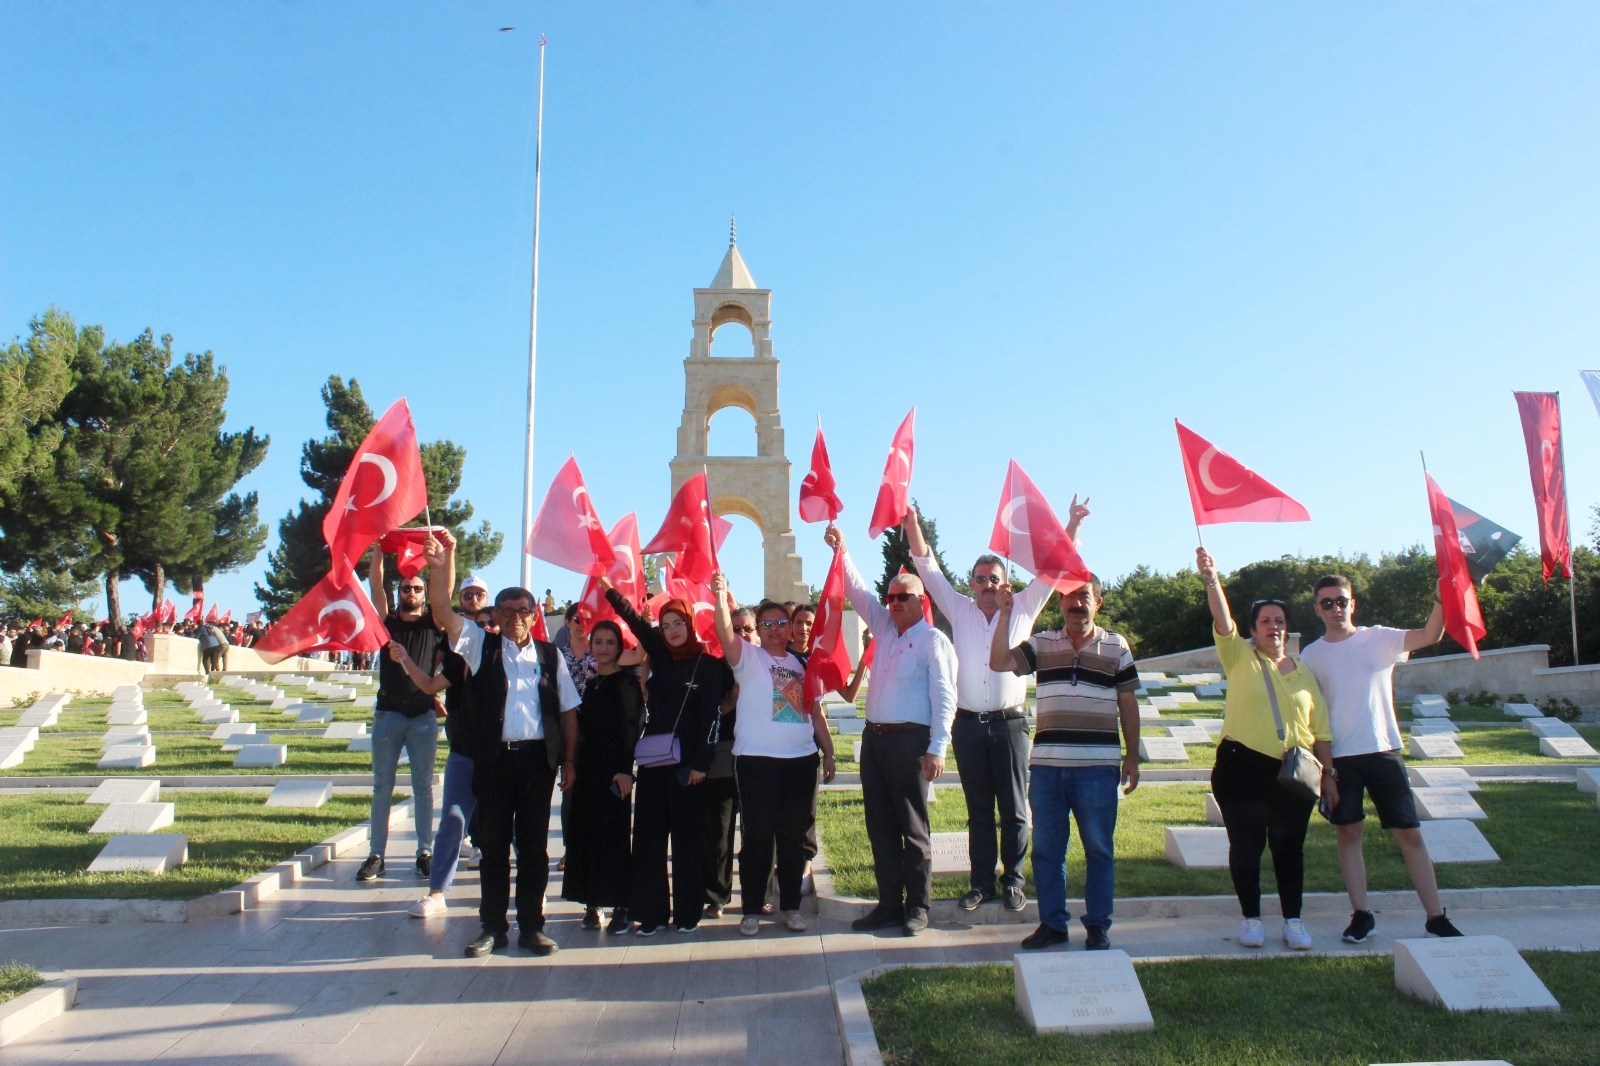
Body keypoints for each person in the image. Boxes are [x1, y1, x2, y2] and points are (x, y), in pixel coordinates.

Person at [902, 500, 1088, 915]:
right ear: (970, 583)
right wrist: (912, 522)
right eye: (981, 578)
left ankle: (1014, 881)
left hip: (1010, 725)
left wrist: (1072, 523)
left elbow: (1056, 566)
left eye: (994, 578)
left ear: (1006, 582)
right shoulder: (958, 608)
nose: (988, 584)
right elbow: (927, 567)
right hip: (968, 726)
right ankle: (981, 882)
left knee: (1015, 809)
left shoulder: (1024, 605)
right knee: (979, 810)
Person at [423, 530, 580, 958]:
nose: (515, 616)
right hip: (492, 761)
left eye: (523, 610)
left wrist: (568, 760)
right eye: (507, 609)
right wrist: (443, 565)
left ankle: (532, 925)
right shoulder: (479, 646)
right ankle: (492, 926)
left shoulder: (551, 657)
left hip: (536, 763)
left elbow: (567, 711)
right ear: (496, 613)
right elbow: (440, 610)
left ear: (535, 615)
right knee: (493, 847)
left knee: (533, 848)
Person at [1299, 575, 1463, 941]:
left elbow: (1430, 635)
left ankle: (1435, 916)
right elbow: (1314, 714)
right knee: (1349, 834)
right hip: (1340, 758)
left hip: (1383, 749)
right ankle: (1361, 915)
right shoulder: (1311, 655)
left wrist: (1440, 597)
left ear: (1352, 604)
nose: (1335, 608)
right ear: (1316, 610)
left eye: (1341, 601)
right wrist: (1325, 771)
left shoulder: (1380, 638)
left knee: (1409, 835)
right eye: (1327, 603)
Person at [989, 574, 1139, 950]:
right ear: (1060, 603)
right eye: (1069, 597)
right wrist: (1005, 614)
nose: (1076, 604)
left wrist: (1133, 756)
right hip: (1048, 769)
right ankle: (1053, 924)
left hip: (1097, 769)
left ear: (1098, 602)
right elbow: (998, 662)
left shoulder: (1116, 646)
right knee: (1047, 850)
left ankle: (1098, 925)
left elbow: (1128, 703)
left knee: (1099, 849)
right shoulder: (1041, 643)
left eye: (1084, 596)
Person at [825, 523, 958, 937]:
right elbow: (856, 590)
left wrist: (937, 747)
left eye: (905, 597)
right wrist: (842, 549)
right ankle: (887, 904)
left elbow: (945, 697)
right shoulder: (882, 627)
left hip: (909, 741)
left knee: (913, 827)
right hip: (875, 739)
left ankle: (917, 906)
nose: (895, 603)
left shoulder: (934, 641)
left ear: (922, 600)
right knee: (879, 826)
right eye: (892, 597)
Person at [1197, 547, 1333, 951]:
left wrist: (1331, 776)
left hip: (1294, 771)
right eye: (1265, 621)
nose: (1273, 627)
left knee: (1290, 847)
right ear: (1253, 629)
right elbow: (1222, 619)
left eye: (1279, 621)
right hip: (1242, 768)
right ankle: (1251, 918)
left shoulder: (1304, 670)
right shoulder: (1239, 657)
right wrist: (1211, 578)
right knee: (1247, 844)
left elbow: (1320, 728)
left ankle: (1294, 920)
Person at [602, 577, 732, 936]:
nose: (673, 630)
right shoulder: (658, 653)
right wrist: (609, 589)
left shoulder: (708, 666)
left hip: (688, 768)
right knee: (649, 839)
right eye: (667, 624)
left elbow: (712, 719)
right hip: (654, 763)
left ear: (690, 625)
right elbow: (633, 620)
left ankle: (688, 913)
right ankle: (652, 914)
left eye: (680, 624)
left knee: (688, 843)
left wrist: (701, 764)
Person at [711, 576, 836, 936]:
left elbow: (815, 713)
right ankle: (750, 909)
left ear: (790, 628)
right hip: (756, 761)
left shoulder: (802, 665)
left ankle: (792, 908)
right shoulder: (747, 657)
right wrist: (720, 596)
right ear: (759, 630)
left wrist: (827, 753)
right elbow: (723, 630)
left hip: (800, 760)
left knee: (792, 837)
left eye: (782, 623)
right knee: (758, 837)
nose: (775, 629)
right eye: (767, 624)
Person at [409, 576, 497, 919]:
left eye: (491, 622)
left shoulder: (516, 660)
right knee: (453, 819)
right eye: (481, 621)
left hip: (502, 754)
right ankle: (436, 892)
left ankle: (529, 891)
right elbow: (431, 683)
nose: (485, 626)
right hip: (465, 749)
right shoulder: (460, 658)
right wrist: (404, 660)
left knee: (512, 825)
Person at [357, 557, 445, 884]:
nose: (411, 592)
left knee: (423, 786)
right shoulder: (387, 622)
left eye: (417, 588)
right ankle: (376, 855)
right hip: (388, 714)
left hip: (422, 714)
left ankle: (424, 852)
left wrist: (439, 560)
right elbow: (375, 585)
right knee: (382, 786)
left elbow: (443, 588)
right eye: (406, 587)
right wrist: (379, 550)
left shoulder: (433, 623)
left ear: (424, 593)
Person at [563, 619, 643, 935]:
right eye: (599, 642)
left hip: (614, 773)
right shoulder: (589, 681)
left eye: (611, 642)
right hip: (587, 770)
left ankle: (621, 905)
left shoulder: (627, 683)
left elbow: (630, 730)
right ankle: (591, 903)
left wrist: (625, 770)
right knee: (586, 835)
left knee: (613, 837)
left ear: (619, 647)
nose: (604, 648)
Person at [703, 606, 756, 920]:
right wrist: (729, 703)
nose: (742, 635)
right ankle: (715, 895)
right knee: (719, 832)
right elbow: (704, 716)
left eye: (747, 628)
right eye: (734, 629)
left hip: (759, 755)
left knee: (758, 831)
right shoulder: (713, 669)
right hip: (724, 755)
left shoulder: (766, 665)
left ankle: (759, 894)